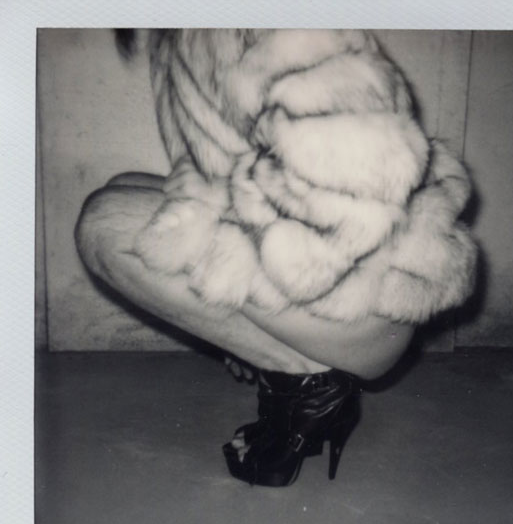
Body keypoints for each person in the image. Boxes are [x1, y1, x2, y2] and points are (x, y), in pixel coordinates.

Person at [75, 29, 476, 487]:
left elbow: (358, 214)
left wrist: (237, 283)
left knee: (103, 225)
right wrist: (238, 320)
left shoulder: (259, 24)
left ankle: (310, 383)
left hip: (373, 295)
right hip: (333, 284)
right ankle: (291, 357)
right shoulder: (189, 32)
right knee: (123, 189)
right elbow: (215, 172)